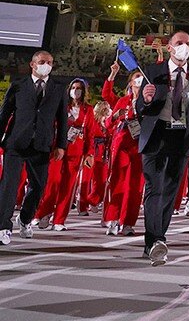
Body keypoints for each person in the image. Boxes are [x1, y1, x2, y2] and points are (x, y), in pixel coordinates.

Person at [137, 31, 189, 266]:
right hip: (156, 135)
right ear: (170, 48)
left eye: (188, 43)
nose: (184, 47)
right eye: (179, 43)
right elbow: (139, 108)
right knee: (154, 188)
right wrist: (144, 98)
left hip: (182, 138)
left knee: (170, 192)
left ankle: (153, 242)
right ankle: (157, 240)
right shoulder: (153, 72)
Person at [0, 51, 67, 246]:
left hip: (42, 145)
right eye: (42, 62)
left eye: (50, 62)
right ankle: (4, 226)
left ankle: (25, 218)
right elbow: (4, 114)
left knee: (38, 187)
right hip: (16, 143)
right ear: (32, 64)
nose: (46, 65)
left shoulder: (58, 88)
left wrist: (61, 145)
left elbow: (62, 120)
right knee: (9, 186)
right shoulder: (18, 86)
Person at [33, 78, 96, 231]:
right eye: (73, 87)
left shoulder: (88, 110)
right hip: (58, 150)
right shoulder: (62, 107)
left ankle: (59, 219)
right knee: (52, 182)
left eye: (79, 88)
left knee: (68, 187)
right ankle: (44, 212)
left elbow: (91, 134)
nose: (76, 90)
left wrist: (89, 154)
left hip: (76, 153)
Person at [102, 63, 146, 236]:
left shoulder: (148, 100)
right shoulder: (122, 101)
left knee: (135, 186)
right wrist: (113, 74)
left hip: (140, 146)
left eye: (141, 78)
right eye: (136, 78)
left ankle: (128, 222)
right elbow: (106, 95)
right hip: (121, 146)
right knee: (117, 182)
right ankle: (113, 218)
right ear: (130, 83)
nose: (139, 80)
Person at [77, 100, 112, 216]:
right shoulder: (93, 121)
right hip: (92, 152)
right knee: (85, 180)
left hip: (103, 155)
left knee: (102, 181)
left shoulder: (107, 123)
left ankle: (93, 200)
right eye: (106, 109)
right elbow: (89, 135)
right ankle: (82, 205)